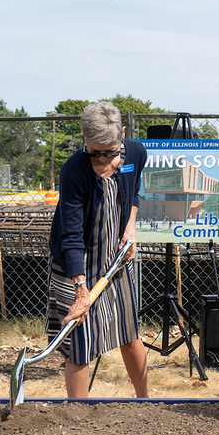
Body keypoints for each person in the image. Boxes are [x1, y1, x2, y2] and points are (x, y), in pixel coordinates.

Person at [46, 101, 148, 398]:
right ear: (83, 138)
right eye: (95, 151)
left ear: (123, 134)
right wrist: (81, 290)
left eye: (110, 151)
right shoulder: (74, 171)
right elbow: (71, 235)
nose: (103, 158)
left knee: (129, 333)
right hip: (76, 263)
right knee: (79, 340)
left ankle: (145, 403)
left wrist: (130, 226)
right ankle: (80, 418)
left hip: (115, 258)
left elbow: (134, 190)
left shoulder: (136, 153)